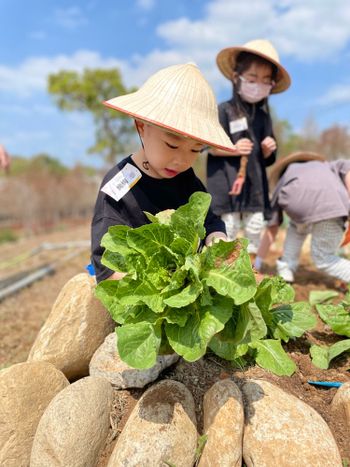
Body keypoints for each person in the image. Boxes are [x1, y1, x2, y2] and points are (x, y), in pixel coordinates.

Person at [91, 63, 236, 283]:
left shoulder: (188, 181)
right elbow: (106, 265)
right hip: (139, 291)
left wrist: (217, 239)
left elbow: (211, 221)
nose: (182, 160)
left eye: (196, 150)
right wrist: (156, 285)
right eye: (171, 145)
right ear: (141, 126)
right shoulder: (119, 184)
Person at [206, 39, 291, 261]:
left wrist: (267, 149)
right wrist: (231, 149)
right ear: (237, 77)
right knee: (228, 227)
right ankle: (225, 270)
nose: (258, 85)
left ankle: (251, 269)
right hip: (226, 184)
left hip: (254, 185)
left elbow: (268, 158)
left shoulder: (263, 116)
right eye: (252, 79)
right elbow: (207, 145)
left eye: (265, 81)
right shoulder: (223, 110)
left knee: (254, 227)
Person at [257, 152, 350, 284]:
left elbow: (272, 227)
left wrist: (257, 262)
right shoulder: (327, 165)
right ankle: (287, 267)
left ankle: (286, 270)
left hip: (299, 207)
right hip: (333, 207)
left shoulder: (285, 176)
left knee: (297, 226)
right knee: (324, 256)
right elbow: (347, 168)